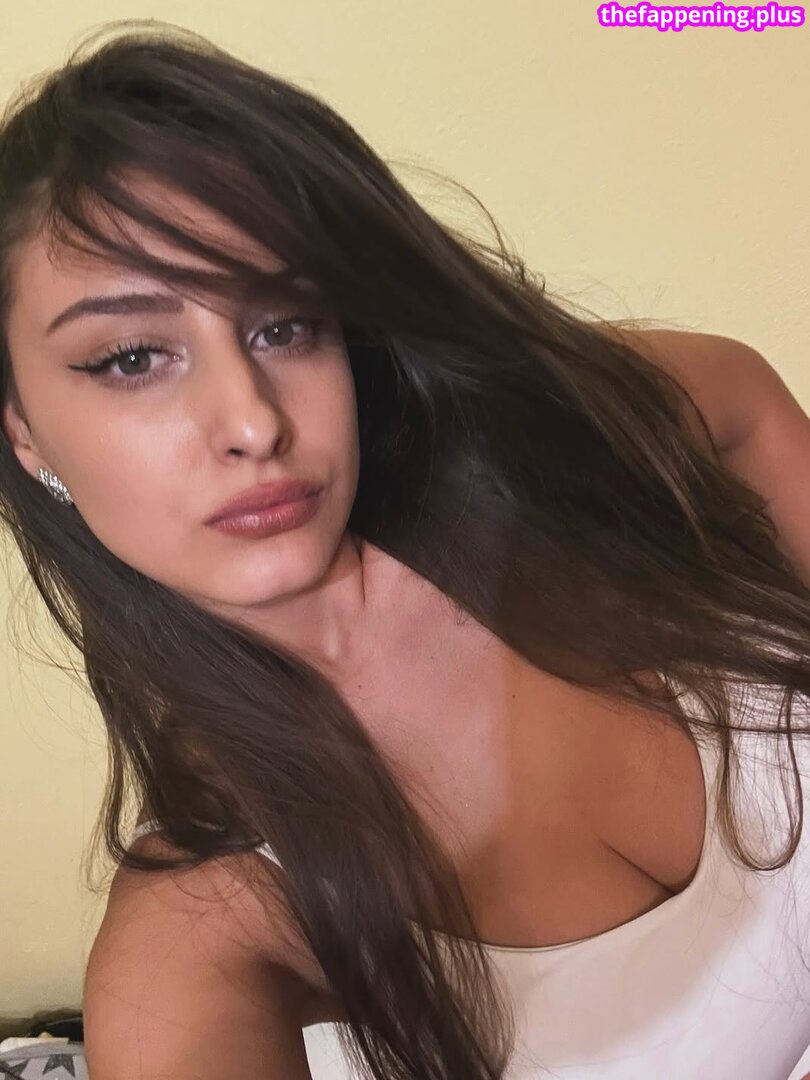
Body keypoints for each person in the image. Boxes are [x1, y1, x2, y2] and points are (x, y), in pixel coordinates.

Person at [2, 21, 810, 1080]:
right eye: (130, 357)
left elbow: (738, 396)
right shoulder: (203, 928)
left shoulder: (567, 459)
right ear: (23, 433)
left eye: (284, 325)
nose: (251, 420)